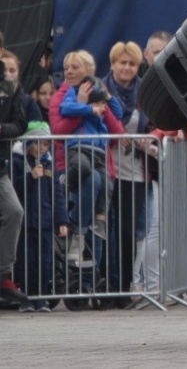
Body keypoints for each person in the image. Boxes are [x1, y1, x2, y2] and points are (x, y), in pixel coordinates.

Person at [51, 51, 125, 262]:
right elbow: (58, 130)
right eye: (66, 68)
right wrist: (84, 106)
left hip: (100, 156)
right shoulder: (64, 95)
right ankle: (77, 232)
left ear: (90, 71)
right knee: (92, 177)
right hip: (73, 162)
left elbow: (118, 131)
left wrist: (104, 100)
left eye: (75, 67)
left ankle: (92, 278)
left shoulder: (99, 92)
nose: (69, 72)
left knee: (101, 184)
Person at [103, 41, 151, 307]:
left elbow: (154, 125)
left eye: (132, 63)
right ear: (112, 64)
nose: (127, 68)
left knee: (127, 231)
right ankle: (104, 286)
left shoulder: (144, 93)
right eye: (122, 62)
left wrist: (148, 138)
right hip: (107, 169)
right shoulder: (101, 89)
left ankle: (122, 289)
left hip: (135, 173)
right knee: (105, 229)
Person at [12, 121, 69, 312]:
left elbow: (57, 194)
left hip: (45, 221)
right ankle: (26, 298)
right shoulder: (17, 162)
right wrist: (30, 177)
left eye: (45, 144)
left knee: (45, 262)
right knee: (26, 263)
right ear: (28, 142)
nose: (41, 148)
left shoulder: (49, 165)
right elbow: (13, 189)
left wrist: (62, 220)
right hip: (25, 223)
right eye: (37, 143)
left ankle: (42, 297)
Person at [0, 50, 29, 304]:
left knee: (14, 211)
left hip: (0, 167)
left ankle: (3, 276)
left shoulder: (11, 87)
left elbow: (20, 124)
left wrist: (1, 128)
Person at [2, 50, 43, 123]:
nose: (7, 74)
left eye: (12, 71)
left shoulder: (28, 102)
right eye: (3, 70)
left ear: (18, 73)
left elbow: (38, 127)